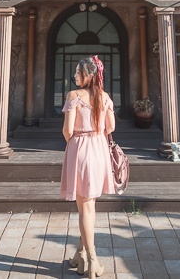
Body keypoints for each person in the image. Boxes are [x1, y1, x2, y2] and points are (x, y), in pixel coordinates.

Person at [61, 55, 115, 277]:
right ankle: (80, 253)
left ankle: (92, 259)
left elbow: (67, 131)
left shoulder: (73, 96)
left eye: (78, 72)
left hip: (80, 148)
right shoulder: (104, 97)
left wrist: (76, 145)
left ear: (88, 75)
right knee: (89, 205)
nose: (74, 76)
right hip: (98, 148)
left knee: (84, 206)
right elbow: (110, 127)